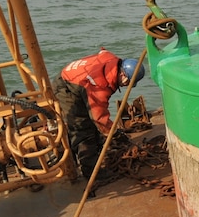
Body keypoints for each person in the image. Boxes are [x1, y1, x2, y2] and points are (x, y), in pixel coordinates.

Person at [53, 49, 145, 179]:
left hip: (76, 77)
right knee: (83, 129)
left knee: (91, 124)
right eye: (128, 83)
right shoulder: (99, 86)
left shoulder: (112, 62)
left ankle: (91, 152)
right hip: (67, 87)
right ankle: (91, 172)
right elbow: (99, 118)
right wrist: (114, 134)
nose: (127, 86)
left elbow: (103, 52)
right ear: (123, 75)